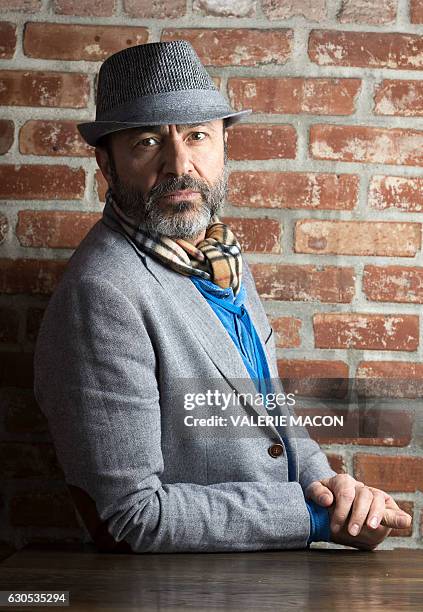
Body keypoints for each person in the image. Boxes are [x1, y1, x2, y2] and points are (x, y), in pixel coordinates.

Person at [33, 40, 411, 554]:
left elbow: (268, 414)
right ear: (106, 163)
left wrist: (335, 494)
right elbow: (129, 516)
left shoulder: (219, 254)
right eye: (148, 142)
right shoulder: (103, 293)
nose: (179, 164)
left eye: (197, 136)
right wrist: (312, 521)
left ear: (223, 146)